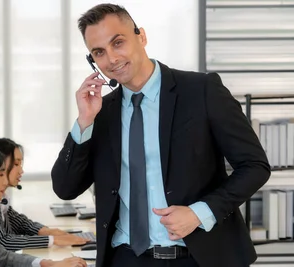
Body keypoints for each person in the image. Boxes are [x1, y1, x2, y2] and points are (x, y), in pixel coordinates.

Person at [51, 3, 270, 267]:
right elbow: (65, 188)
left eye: (118, 43)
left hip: (199, 258)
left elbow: (255, 166)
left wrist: (199, 213)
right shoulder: (102, 113)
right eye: (99, 52)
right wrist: (84, 122)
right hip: (125, 259)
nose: (111, 59)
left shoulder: (202, 91)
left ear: (141, 36)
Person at [0, 138, 90, 251]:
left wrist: (49, 232)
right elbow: (3, 242)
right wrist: (52, 240)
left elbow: (18, 222)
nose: (21, 171)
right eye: (16, 164)